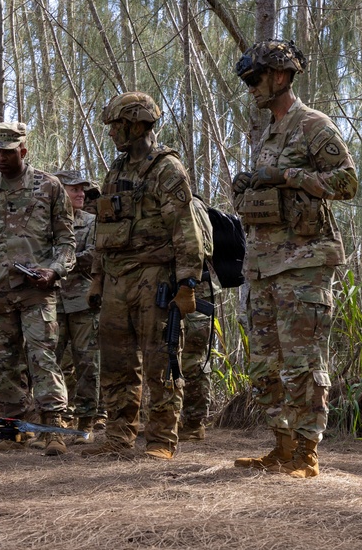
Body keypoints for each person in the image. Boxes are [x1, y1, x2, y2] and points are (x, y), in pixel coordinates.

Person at [231, 40, 357, 477]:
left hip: (304, 262)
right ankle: (281, 447)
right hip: (264, 263)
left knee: (302, 359)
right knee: (265, 360)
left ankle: (307, 453)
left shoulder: (313, 125)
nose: (251, 88)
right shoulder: (269, 132)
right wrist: (248, 186)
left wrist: (287, 175)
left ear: (280, 77)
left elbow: (347, 182)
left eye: (256, 79)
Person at [83, 92, 204, 461]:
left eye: (116, 126)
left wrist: (187, 282)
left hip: (156, 277)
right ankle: (119, 436)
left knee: (160, 358)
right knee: (117, 361)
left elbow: (186, 230)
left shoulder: (166, 169)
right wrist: (97, 280)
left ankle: (161, 439)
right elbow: (104, 232)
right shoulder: (116, 172)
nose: (111, 133)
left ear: (137, 125)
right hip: (118, 279)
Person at [0, 122, 76, 455]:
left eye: (8, 152)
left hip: (36, 291)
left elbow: (67, 242)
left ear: (23, 152)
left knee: (42, 357)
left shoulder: (49, 187)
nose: (1, 158)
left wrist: (54, 271)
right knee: (4, 362)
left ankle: (53, 429)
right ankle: (15, 430)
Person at [52, 169, 102, 444]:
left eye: (83, 189)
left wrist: (60, 262)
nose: (82, 193)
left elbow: (95, 254)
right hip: (51, 302)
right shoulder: (45, 223)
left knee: (87, 364)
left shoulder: (93, 222)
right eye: (75, 189)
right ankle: (52, 421)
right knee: (49, 364)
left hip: (83, 301)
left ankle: (85, 423)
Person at [177, 195, 218, 442]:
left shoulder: (191, 204)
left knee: (193, 357)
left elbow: (205, 248)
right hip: (173, 288)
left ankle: (194, 422)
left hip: (196, 289)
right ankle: (175, 418)